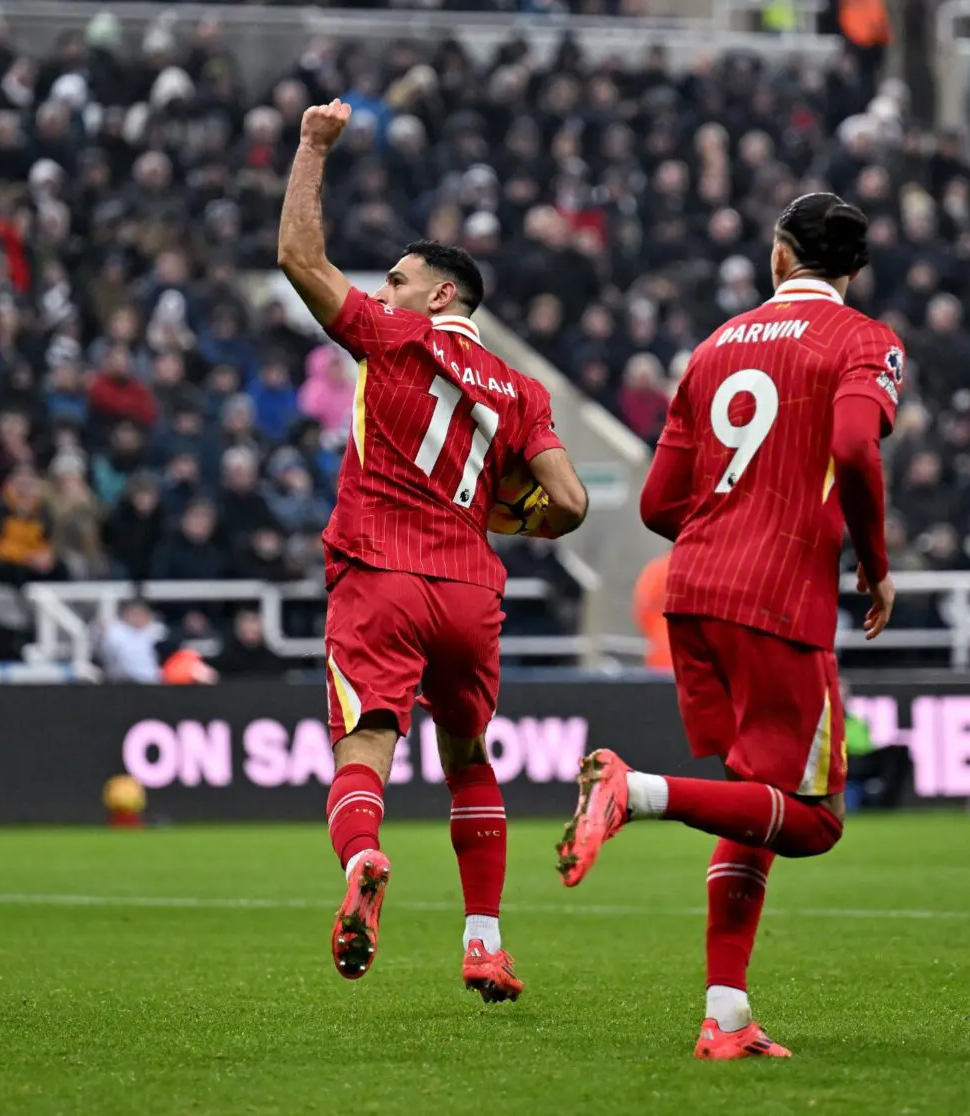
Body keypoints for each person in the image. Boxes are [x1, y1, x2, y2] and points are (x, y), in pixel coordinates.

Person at [556, 192, 901, 1059]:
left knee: (756, 806)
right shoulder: (866, 342)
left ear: (781, 256)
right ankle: (634, 793)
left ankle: (727, 1015)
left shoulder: (713, 347)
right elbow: (857, 448)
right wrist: (875, 562)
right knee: (814, 819)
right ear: (851, 271)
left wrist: (723, 535)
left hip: (693, 592)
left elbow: (657, 502)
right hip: (779, 598)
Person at [278, 98, 588, 1000]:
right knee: (468, 757)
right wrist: (501, 519)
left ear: (441, 295)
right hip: (469, 594)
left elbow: (299, 257)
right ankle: (484, 943)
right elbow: (567, 502)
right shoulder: (522, 388)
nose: (384, 292)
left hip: (380, 571)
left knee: (366, 744)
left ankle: (365, 860)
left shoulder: (395, 339)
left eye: (399, 279)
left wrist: (311, 146)